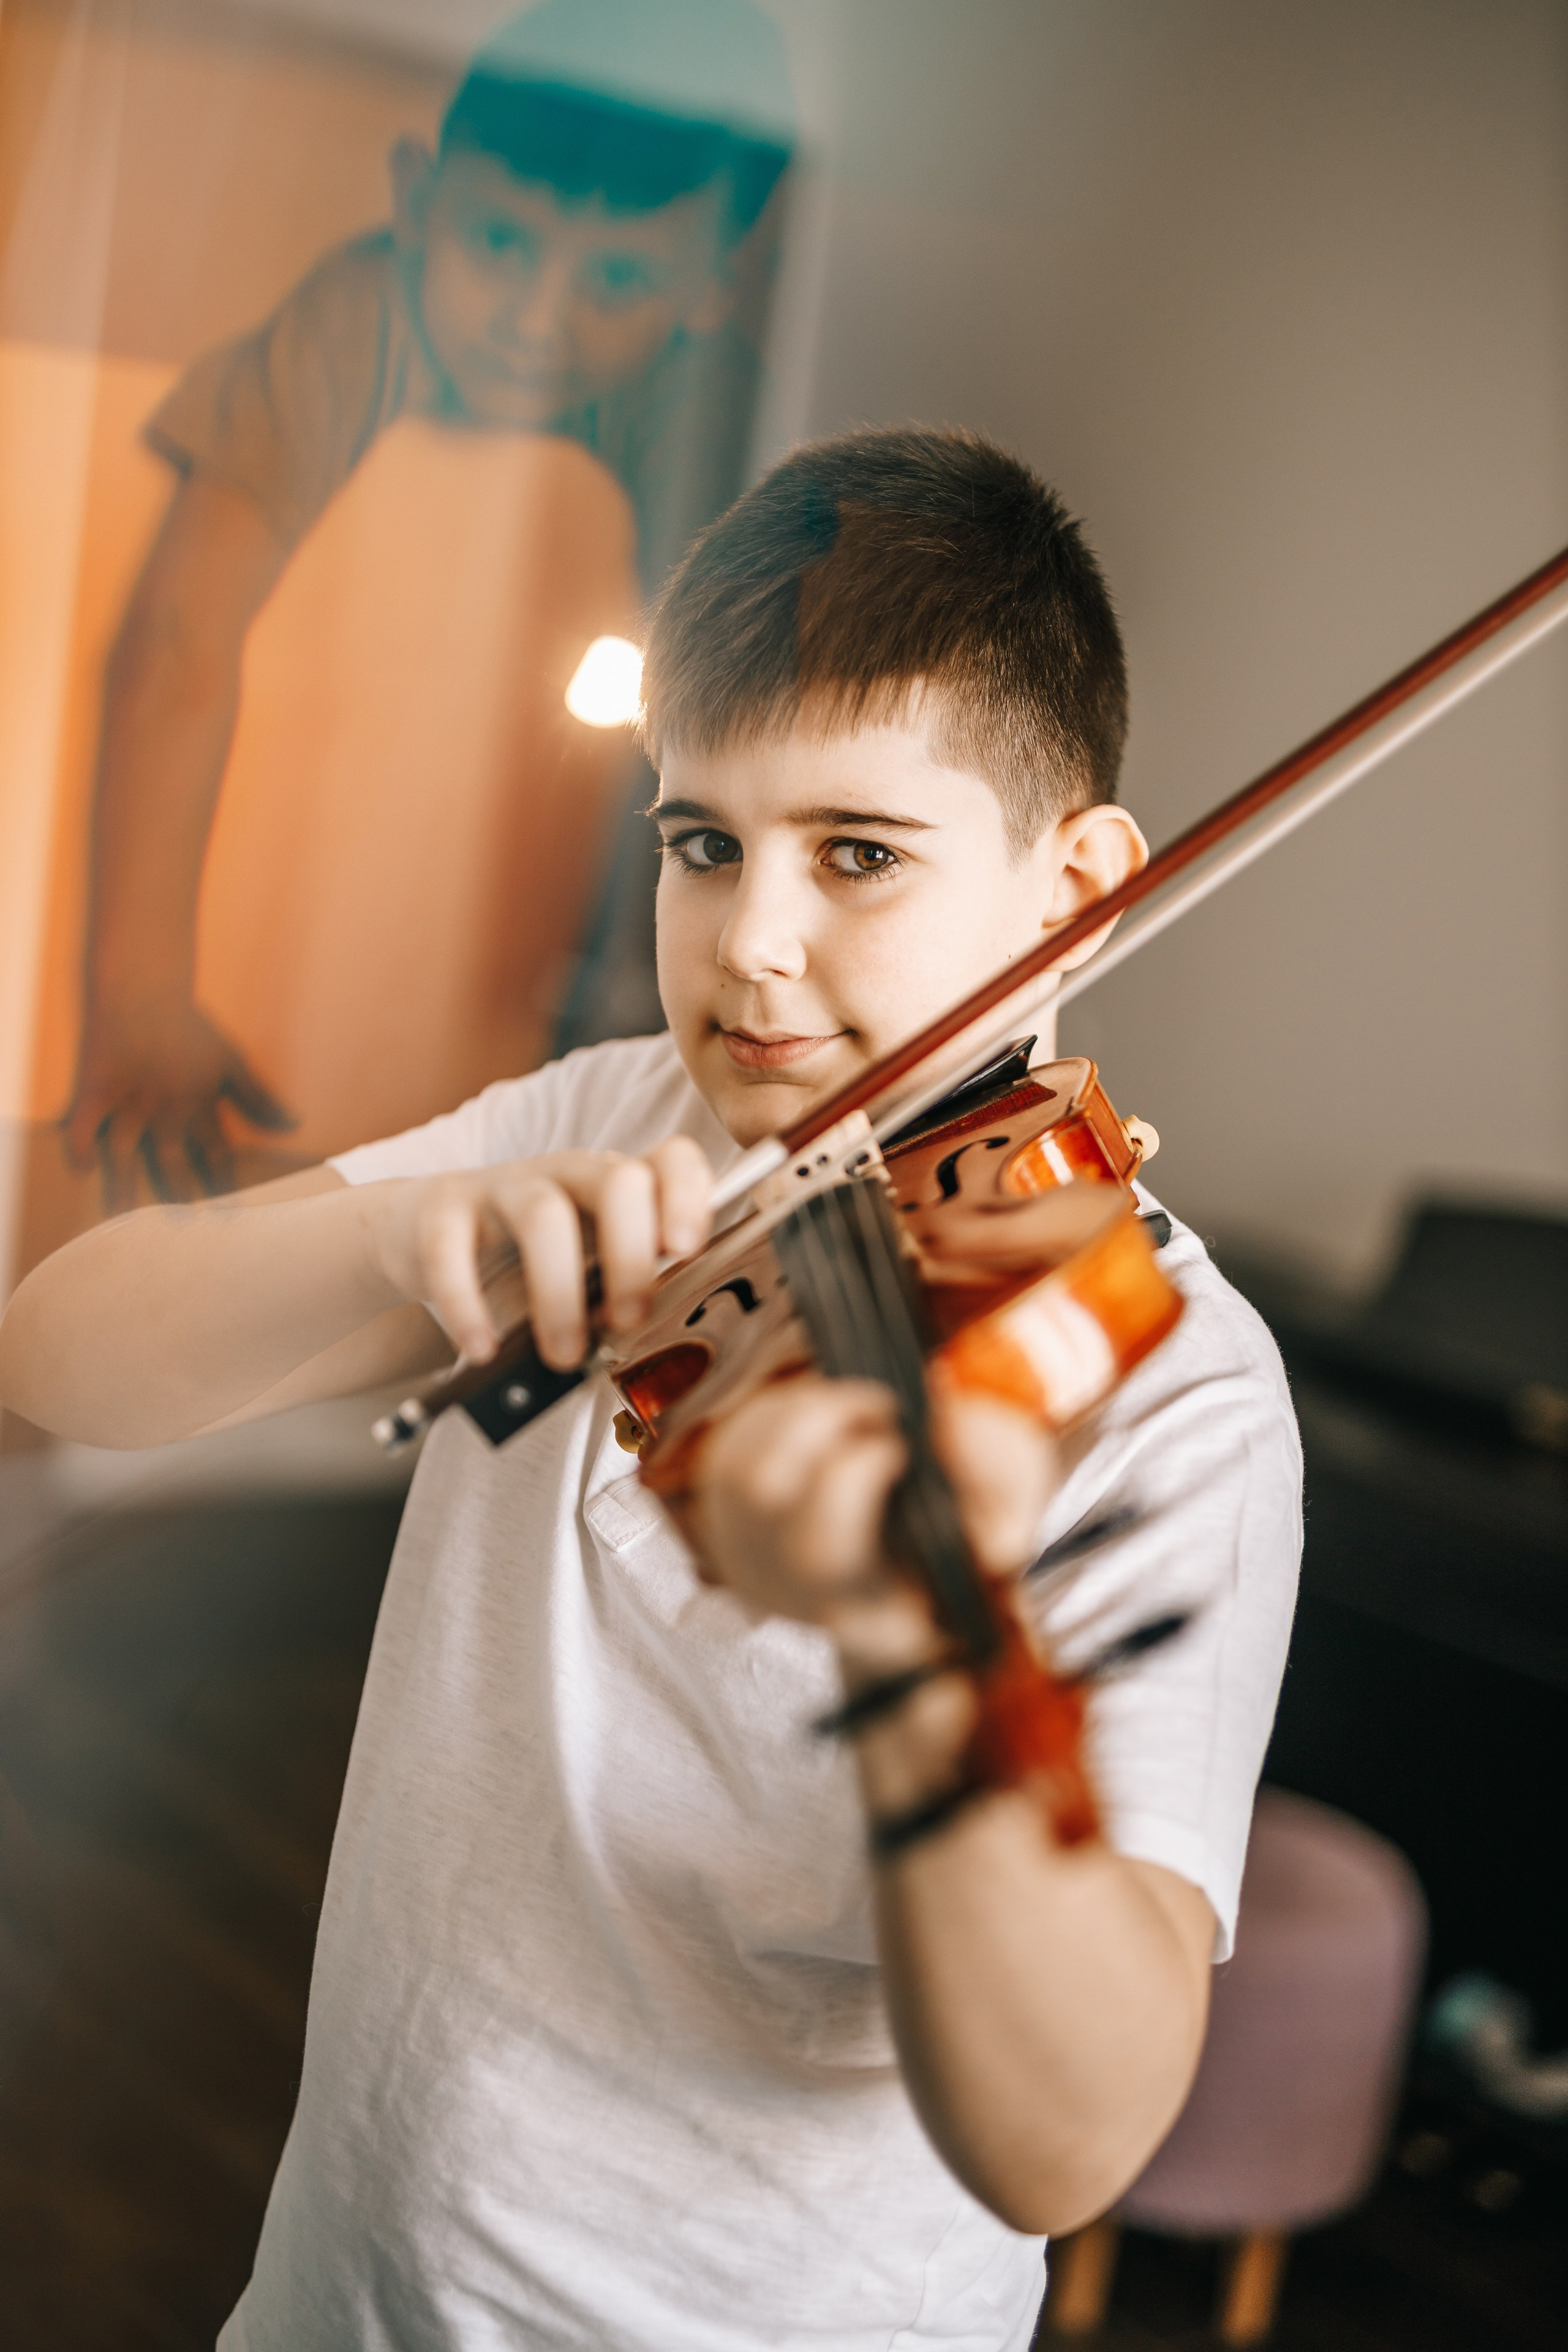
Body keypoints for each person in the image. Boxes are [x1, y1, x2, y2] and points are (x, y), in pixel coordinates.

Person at [1, 428, 1303, 2350]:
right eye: (704, 844)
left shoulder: (1175, 1396)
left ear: (1075, 891)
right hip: (340, 2293)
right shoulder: (613, 1117)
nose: (752, 946)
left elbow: (1068, 2142)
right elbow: (62, 1356)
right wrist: (405, 1233)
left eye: (858, 853)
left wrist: (919, 1637)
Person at [64, 0, 793, 1208]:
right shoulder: (356, 318)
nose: (534, 319)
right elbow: (182, 639)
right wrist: (139, 995)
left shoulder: (713, 410)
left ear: (714, 285)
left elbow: (757, 717)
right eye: (500, 243)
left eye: (614, 278)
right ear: (414, 199)